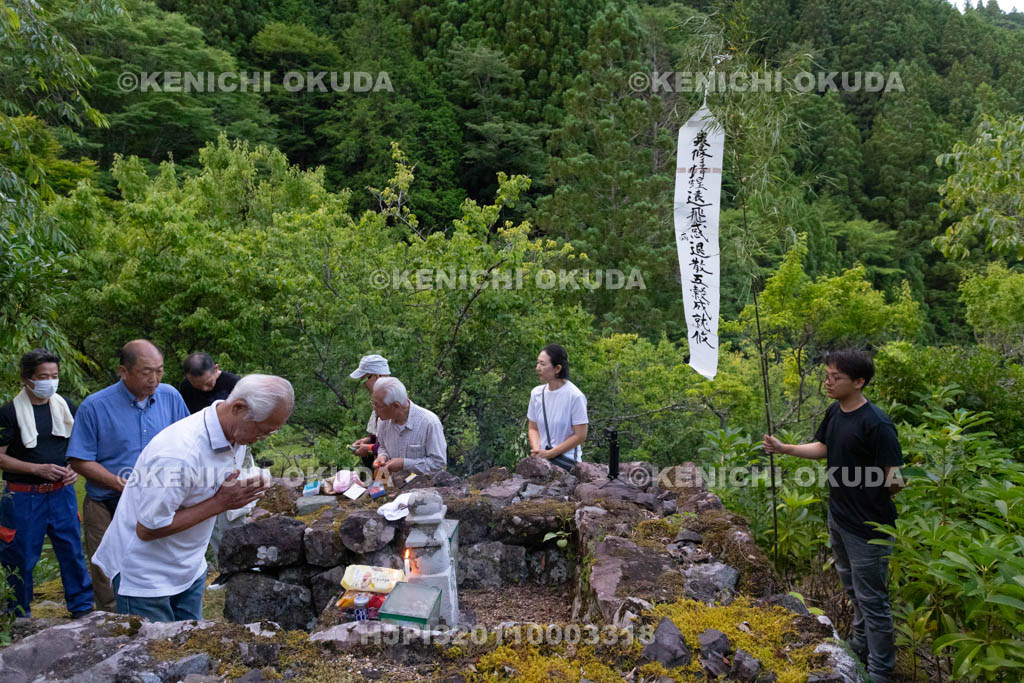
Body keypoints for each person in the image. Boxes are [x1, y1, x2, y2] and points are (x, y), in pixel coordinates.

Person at [93, 374, 292, 622]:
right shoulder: (179, 455)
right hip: (146, 577)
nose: (262, 438)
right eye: (261, 431)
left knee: (189, 643)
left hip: (189, 567)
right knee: (156, 647)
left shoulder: (234, 434)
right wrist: (221, 503)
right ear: (239, 408)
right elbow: (148, 528)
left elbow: (209, 489)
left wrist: (239, 491)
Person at [763, 349, 903, 683]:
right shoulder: (835, 412)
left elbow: (895, 479)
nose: (827, 382)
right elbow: (824, 447)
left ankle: (881, 671)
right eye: (826, 376)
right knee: (854, 591)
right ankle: (860, 647)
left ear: (859, 381)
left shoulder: (877, 423)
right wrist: (785, 448)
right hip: (839, 517)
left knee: (873, 600)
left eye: (835, 377)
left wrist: (868, 495)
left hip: (869, 528)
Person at [67, 339, 190, 612]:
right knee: (107, 570)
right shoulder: (95, 406)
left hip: (158, 501)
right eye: (146, 372)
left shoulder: (170, 397)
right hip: (107, 502)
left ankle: (160, 621)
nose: (154, 379)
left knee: (157, 565)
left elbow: (186, 442)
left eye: (159, 370)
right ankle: (113, 624)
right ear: (123, 371)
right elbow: (80, 459)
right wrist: (121, 484)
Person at [0, 349, 93, 618]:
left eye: (54, 375)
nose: (50, 381)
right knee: (20, 556)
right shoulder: (9, 412)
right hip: (23, 495)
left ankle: (82, 610)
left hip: (62, 493)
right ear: (26, 378)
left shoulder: (66, 406)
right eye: (43, 377)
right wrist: (36, 469)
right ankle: (19, 614)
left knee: (72, 551)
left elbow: (79, 447)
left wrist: (74, 468)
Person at [526, 344, 588, 472]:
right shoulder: (536, 394)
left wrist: (551, 453)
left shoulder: (575, 396)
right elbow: (533, 427)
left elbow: (580, 435)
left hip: (568, 465)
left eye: (542, 364)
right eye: (537, 363)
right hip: (543, 464)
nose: (538, 368)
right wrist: (538, 451)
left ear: (557, 368)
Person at [370, 377, 447, 477]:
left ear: (396, 406)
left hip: (425, 485)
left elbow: (438, 463)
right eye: (373, 403)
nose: (374, 409)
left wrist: (404, 464)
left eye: (378, 405)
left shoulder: (429, 422)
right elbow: (383, 446)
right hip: (394, 484)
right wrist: (382, 456)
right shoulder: (383, 422)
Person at [349, 354, 390, 469]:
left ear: (376, 376)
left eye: (364, 380)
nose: (363, 385)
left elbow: (396, 446)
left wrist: (369, 448)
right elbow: (380, 437)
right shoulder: (379, 400)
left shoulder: (392, 403)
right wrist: (368, 440)